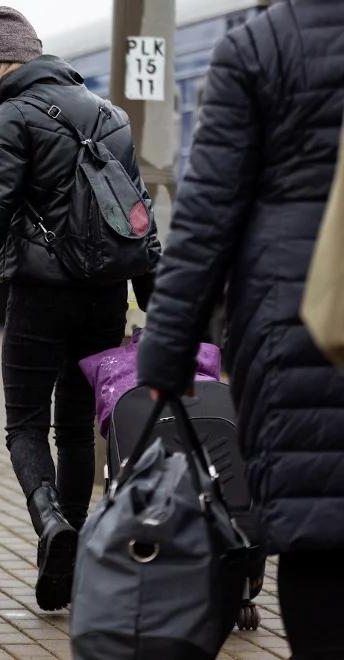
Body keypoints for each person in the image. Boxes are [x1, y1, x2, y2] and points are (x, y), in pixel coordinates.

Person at [0, 6, 158, 610]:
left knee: (25, 426)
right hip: (104, 297)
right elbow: (137, 215)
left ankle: (51, 525)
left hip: (37, 298)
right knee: (78, 426)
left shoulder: (14, 117)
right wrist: (153, 297)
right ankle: (71, 564)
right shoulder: (110, 114)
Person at [137, 2, 344, 657]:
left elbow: (205, 217)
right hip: (298, 317)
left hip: (303, 319)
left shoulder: (261, 45)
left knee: (318, 531)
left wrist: (166, 355)